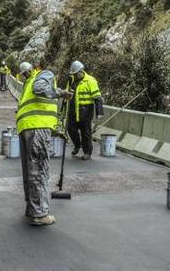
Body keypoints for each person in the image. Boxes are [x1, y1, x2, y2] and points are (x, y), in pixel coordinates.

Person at [16, 61, 72, 226]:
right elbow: (40, 89)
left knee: (30, 171)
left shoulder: (27, 84)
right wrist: (61, 93)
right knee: (40, 170)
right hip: (37, 129)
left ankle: (32, 209)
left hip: (26, 128)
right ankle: (39, 214)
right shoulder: (44, 74)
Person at [66, 61, 104, 160]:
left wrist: (99, 112)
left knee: (86, 133)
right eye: (73, 74)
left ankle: (87, 152)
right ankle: (77, 145)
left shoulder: (90, 81)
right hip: (73, 111)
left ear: (81, 71)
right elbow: (67, 94)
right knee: (70, 129)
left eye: (75, 74)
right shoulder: (72, 81)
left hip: (85, 112)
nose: (74, 75)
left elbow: (97, 97)